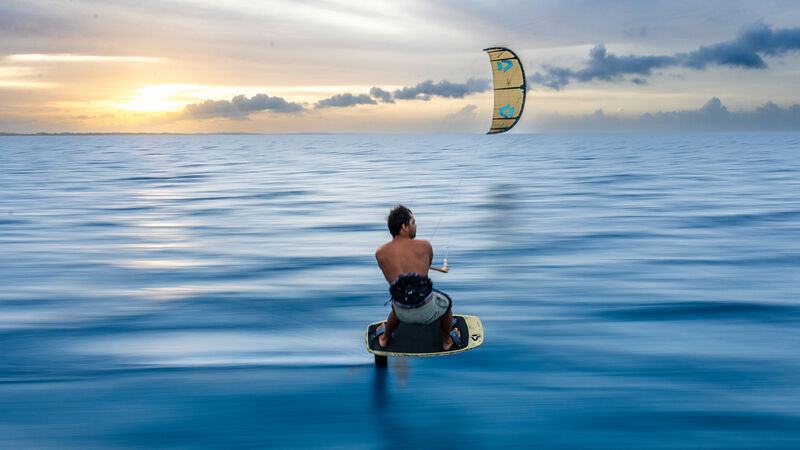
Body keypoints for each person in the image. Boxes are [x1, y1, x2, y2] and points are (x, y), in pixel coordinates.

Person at [373, 205, 460, 350]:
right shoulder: (424, 246)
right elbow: (426, 268)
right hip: (426, 312)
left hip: (401, 312)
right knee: (447, 304)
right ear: (404, 227)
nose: (416, 225)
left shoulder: (380, 252)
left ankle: (384, 338)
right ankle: (446, 341)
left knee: (398, 297)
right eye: (413, 222)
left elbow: (393, 275)